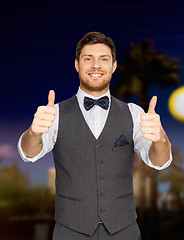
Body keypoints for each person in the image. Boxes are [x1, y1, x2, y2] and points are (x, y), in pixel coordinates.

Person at [17, 32, 172, 240]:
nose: (96, 65)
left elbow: (159, 162)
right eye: (88, 59)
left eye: (103, 59)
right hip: (70, 230)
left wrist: (160, 138)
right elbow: (29, 152)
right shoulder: (55, 113)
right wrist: (33, 132)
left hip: (123, 229)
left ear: (113, 66)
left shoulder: (134, 113)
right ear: (77, 65)